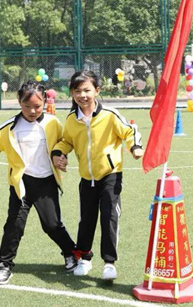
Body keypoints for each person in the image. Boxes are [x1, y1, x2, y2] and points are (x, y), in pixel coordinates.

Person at [0, 81, 77, 285]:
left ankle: (71, 253)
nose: (32, 111)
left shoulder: (53, 123)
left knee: (52, 225)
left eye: (37, 106)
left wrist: (61, 156)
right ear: (19, 102)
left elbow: (63, 143)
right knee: (14, 226)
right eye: (26, 106)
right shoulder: (9, 127)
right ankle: (4, 265)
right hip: (20, 185)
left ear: (45, 102)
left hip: (46, 184)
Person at [52, 70, 143, 281]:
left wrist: (135, 147)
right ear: (72, 93)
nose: (82, 95)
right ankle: (85, 258)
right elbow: (66, 141)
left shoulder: (110, 115)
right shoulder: (72, 120)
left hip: (111, 175)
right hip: (87, 178)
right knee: (86, 219)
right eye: (77, 91)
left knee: (109, 216)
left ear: (97, 91)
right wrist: (58, 154)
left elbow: (130, 131)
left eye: (87, 90)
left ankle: (109, 263)